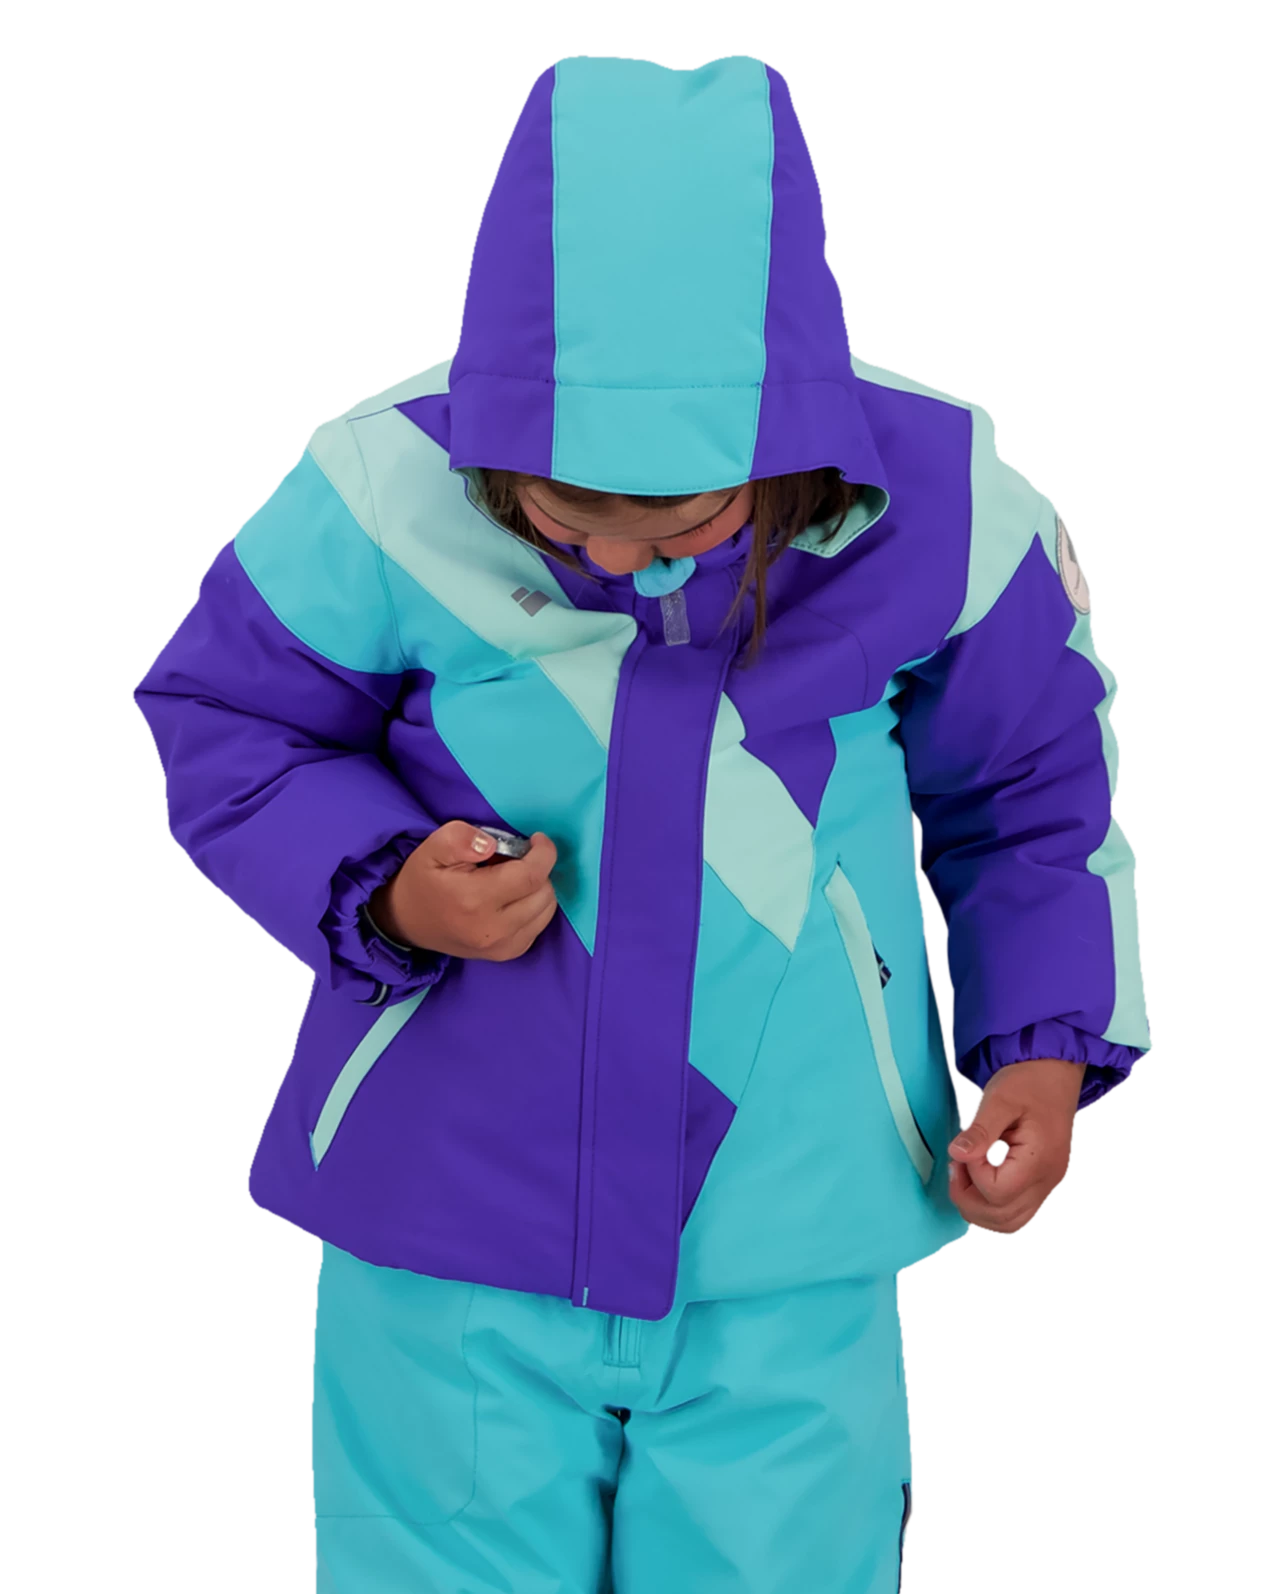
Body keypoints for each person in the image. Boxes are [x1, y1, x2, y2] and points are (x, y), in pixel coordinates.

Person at [131, 53, 1152, 1594]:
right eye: (559, 516)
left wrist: (1042, 1046)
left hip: (790, 1234)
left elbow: (1031, 802)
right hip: (447, 1231)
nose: (616, 555)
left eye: (680, 522)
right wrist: (385, 884)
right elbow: (225, 715)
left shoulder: (949, 512)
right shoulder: (379, 489)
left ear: (788, 429)